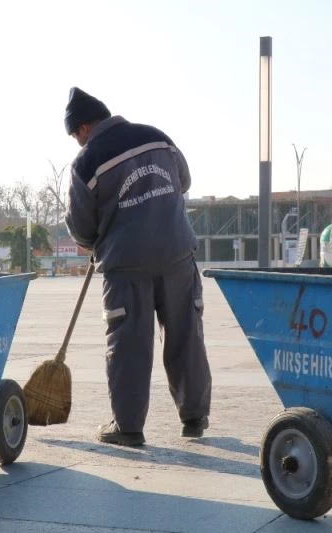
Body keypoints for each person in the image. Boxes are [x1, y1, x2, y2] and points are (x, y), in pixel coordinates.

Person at [63, 87, 211, 447]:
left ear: (83, 128)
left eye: (75, 136)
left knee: (129, 344)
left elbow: (81, 227)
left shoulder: (86, 162)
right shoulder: (158, 138)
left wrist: (102, 232)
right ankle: (195, 417)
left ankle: (128, 428)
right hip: (177, 255)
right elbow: (184, 181)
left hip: (126, 265)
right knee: (186, 335)